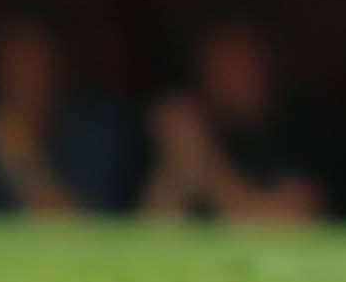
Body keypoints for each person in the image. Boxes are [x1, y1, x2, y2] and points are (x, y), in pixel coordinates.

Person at [139, 21, 325, 222]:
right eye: (229, 61)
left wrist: (207, 162)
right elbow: (155, 232)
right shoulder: (179, 129)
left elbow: (290, 223)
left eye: (250, 60)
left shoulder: (299, 129)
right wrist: (177, 157)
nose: (243, 72)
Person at [0, 20, 131, 214]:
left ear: (58, 63)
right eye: (8, 63)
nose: (18, 76)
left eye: (30, 60)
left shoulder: (99, 128)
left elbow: (85, 233)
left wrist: (24, 163)